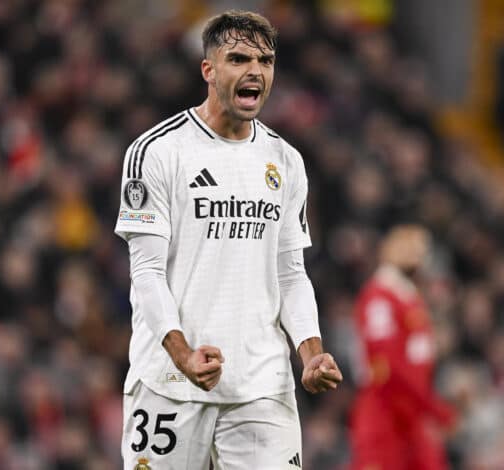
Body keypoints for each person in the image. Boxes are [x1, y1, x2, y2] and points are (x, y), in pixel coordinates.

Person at [113, 10, 342, 470]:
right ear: (209, 70)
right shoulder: (156, 152)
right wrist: (182, 355)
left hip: (262, 386)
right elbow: (147, 274)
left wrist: (311, 353)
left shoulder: (286, 161)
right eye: (238, 59)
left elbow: (290, 274)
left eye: (265, 61)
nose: (255, 71)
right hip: (169, 386)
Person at [349, 225, 455, 470]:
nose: (421, 258)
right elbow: (387, 364)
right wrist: (434, 408)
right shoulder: (379, 297)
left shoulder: (407, 296)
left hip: (412, 412)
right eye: (416, 250)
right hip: (386, 408)